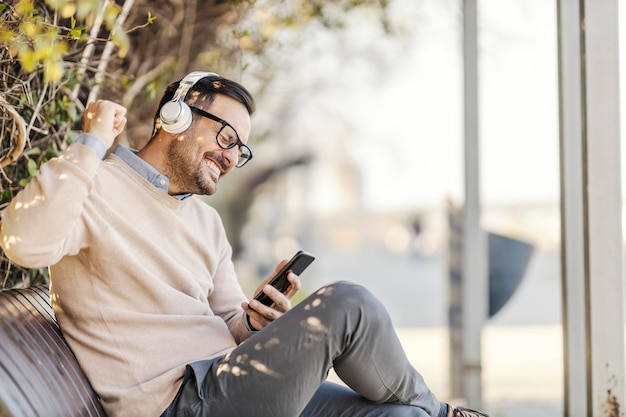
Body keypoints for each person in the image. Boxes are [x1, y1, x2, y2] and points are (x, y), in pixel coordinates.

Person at [0, 71, 489, 417]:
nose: (233, 157)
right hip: (181, 403)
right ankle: (446, 412)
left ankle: (429, 411)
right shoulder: (96, 186)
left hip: (233, 380)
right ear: (174, 117)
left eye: (241, 148)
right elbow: (25, 244)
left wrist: (253, 320)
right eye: (227, 136)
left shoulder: (205, 222)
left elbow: (231, 321)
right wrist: (90, 144)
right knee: (346, 304)